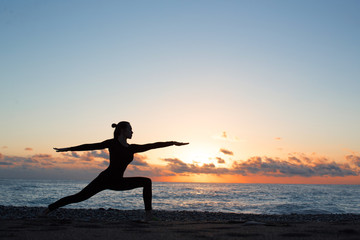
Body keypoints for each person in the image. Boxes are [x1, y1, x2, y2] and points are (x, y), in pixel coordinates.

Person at [42, 121, 188, 220]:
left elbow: (153, 145)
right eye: (130, 129)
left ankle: (148, 216)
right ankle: (49, 209)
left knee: (146, 182)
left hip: (118, 181)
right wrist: (67, 149)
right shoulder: (111, 143)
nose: (132, 131)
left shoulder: (132, 148)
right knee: (79, 197)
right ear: (122, 130)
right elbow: (90, 146)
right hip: (104, 179)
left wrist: (173, 143)